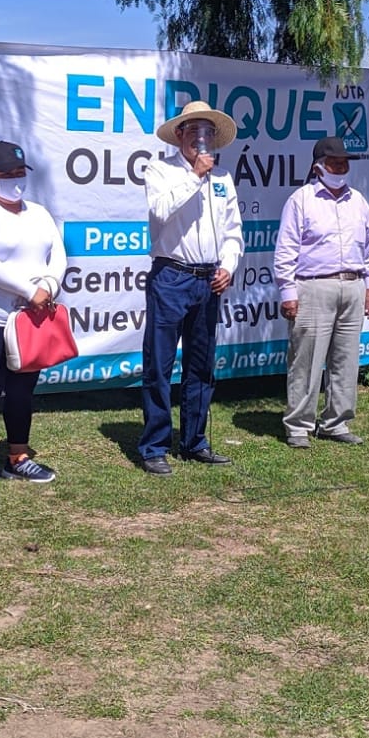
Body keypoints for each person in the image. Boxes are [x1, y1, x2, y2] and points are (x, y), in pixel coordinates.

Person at [136, 100, 244, 475]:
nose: (202, 139)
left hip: (207, 279)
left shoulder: (223, 179)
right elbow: (161, 211)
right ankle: (154, 445)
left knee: (201, 366)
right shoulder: (160, 170)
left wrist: (228, 265)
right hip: (171, 276)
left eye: (209, 132)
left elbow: (233, 233)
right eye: (195, 131)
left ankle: (194, 440)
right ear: (179, 135)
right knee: (159, 365)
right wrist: (195, 176)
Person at [0, 141, 67, 490]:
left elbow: (58, 254)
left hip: (30, 318)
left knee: (22, 391)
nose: (16, 180)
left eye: (20, 173)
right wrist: (28, 289)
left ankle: (18, 457)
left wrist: (48, 285)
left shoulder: (40, 213)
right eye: (7, 174)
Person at [274, 136, 369, 448]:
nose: (341, 167)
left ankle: (336, 422)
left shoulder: (358, 201)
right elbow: (285, 251)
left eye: (344, 162)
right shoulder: (301, 200)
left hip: (353, 284)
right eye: (334, 162)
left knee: (345, 358)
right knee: (306, 358)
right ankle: (298, 426)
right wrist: (288, 293)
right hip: (314, 285)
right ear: (318, 167)